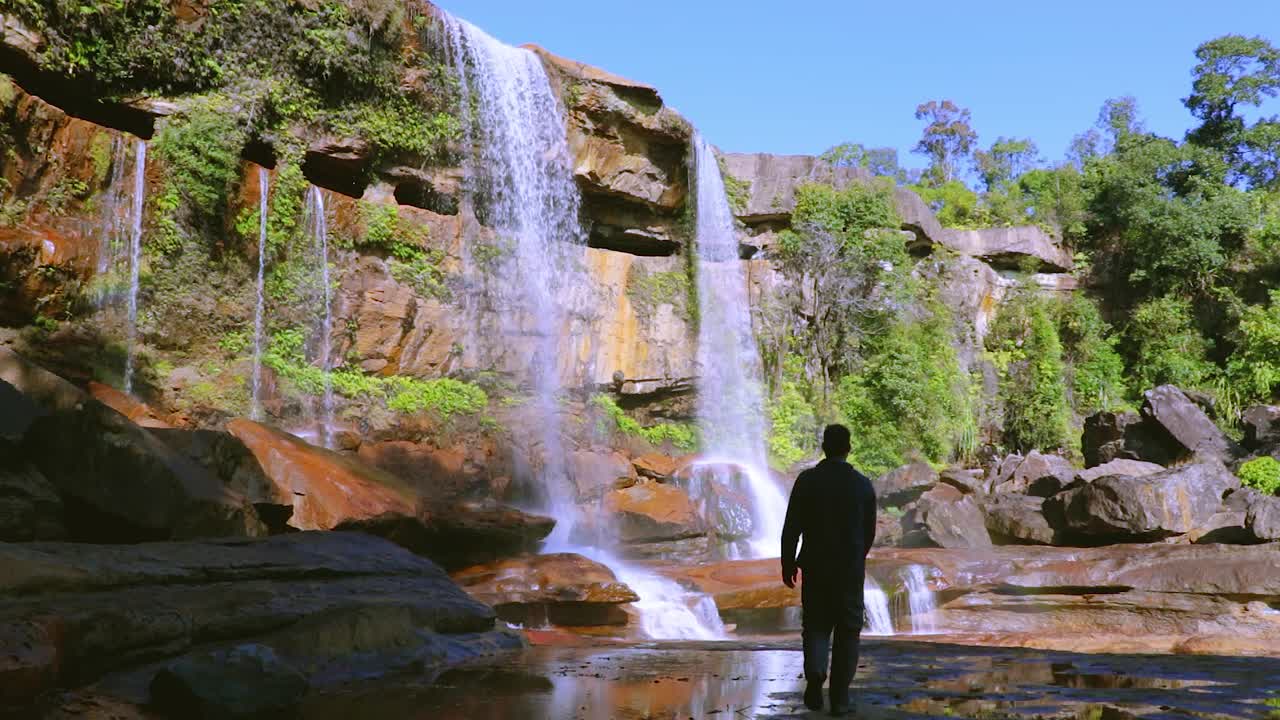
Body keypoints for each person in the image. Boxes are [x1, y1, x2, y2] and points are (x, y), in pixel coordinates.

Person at [780, 424, 877, 716]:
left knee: (816, 626)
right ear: (848, 448)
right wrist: (857, 557)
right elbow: (869, 531)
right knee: (848, 632)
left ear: (824, 447)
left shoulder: (807, 481)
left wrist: (788, 562)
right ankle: (840, 699)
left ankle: (815, 673)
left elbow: (791, 527)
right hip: (849, 569)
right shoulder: (862, 484)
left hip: (816, 566)